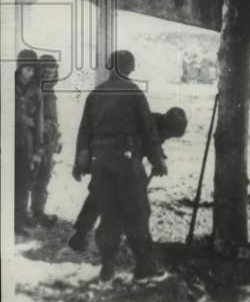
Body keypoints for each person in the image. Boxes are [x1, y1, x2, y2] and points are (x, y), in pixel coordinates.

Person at [72, 49, 168, 283]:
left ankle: (107, 265)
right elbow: (148, 130)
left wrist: (81, 161)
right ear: (129, 68)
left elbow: (85, 130)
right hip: (127, 163)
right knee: (137, 212)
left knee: (109, 213)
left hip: (101, 163)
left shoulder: (96, 94)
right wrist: (158, 160)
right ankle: (144, 266)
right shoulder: (134, 93)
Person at [69, 107, 187, 252]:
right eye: (169, 134)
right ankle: (87, 236)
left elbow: (153, 146)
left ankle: (84, 234)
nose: (167, 137)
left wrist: (158, 156)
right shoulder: (150, 126)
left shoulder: (155, 123)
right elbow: (149, 145)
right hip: (115, 157)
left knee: (99, 196)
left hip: (114, 157)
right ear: (167, 126)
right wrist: (158, 162)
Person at [30, 54, 63, 227]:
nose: (50, 72)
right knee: (31, 174)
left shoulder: (50, 90)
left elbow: (53, 116)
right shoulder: (34, 89)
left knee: (44, 175)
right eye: (47, 69)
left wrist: (57, 136)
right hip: (35, 139)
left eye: (53, 69)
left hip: (49, 138)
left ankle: (37, 211)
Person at [14, 50, 43, 235]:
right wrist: (21, 118)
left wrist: (37, 150)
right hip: (8, 142)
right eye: (26, 69)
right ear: (19, 69)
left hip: (26, 143)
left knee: (24, 181)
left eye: (32, 70)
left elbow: (39, 122)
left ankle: (19, 217)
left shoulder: (36, 91)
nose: (29, 73)